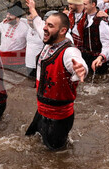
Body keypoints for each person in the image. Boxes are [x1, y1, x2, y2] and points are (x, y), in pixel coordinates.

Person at [25, 12, 87, 150]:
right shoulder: (50, 41)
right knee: (31, 142)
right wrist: (33, 9)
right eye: (46, 24)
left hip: (58, 118)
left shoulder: (69, 52)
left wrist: (81, 70)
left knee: (56, 156)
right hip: (42, 111)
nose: (44, 28)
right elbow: (38, 23)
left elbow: (77, 62)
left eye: (50, 25)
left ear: (62, 31)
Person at [72, 0, 109, 76]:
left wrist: (102, 57)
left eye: (85, 4)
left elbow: (106, 43)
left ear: (93, 4)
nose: (83, 6)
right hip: (85, 56)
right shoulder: (82, 17)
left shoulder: (101, 20)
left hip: (98, 56)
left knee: (101, 80)